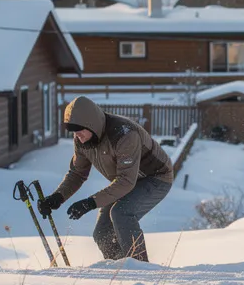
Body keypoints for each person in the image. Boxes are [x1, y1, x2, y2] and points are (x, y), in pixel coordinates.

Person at [37, 96, 176, 262]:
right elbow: (77, 173)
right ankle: (119, 270)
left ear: (91, 125)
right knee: (102, 232)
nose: (77, 136)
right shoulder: (82, 139)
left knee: (121, 213)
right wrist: (57, 197)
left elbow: (125, 181)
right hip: (127, 180)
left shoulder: (124, 134)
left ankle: (141, 269)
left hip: (156, 177)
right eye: (74, 132)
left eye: (80, 131)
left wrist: (90, 202)